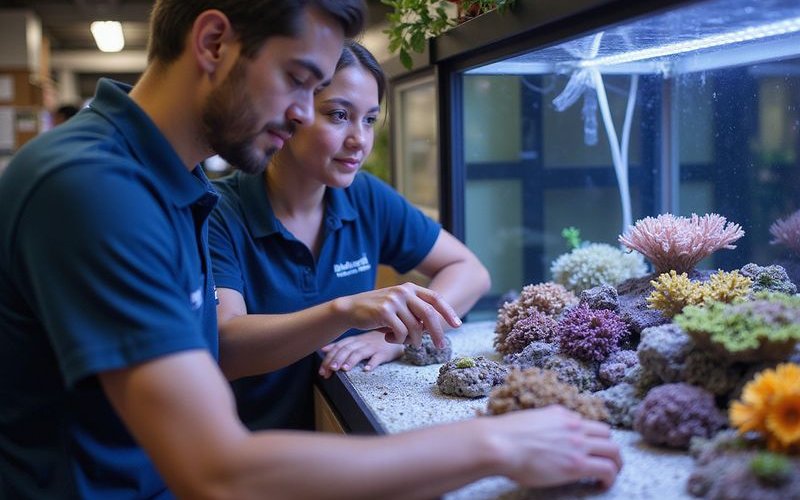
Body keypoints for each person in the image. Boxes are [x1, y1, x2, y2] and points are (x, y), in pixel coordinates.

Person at [0, 2, 621, 499]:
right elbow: (218, 469)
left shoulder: (174, 185)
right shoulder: (95, 189)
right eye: (300, 81)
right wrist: (499, 446)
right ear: (213, 43)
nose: (301, 113)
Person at [209, 40, 492, 431]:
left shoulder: (365, 195)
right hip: (253, 451)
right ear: (290, 110)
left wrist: (389, 338)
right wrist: (344, 310)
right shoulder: (219, 212)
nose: (360, 139)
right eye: (339, 115)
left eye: (370, 119)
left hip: (345, 427)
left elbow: (470, 271)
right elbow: (227, 345)